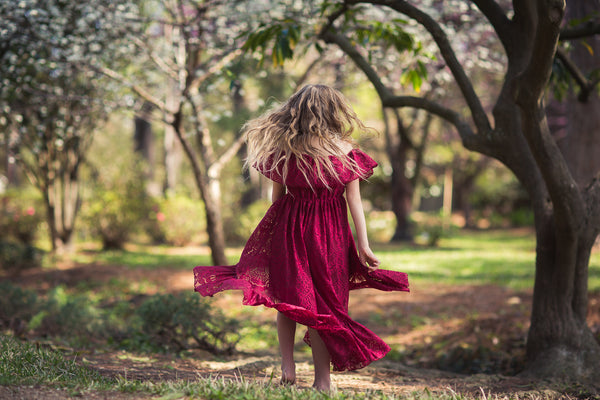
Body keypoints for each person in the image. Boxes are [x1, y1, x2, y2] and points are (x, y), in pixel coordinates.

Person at [194, 84, 409, 391]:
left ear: (296, 113)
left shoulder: (286, 152)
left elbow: (276, 200)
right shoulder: (347, 153)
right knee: (325, 306)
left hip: (290, 231)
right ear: (334, 112)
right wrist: (363, 244)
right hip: (330, 237)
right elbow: (354, 203)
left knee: (287, 298)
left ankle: (288, 366)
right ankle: (323, 382)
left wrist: (275, 238)